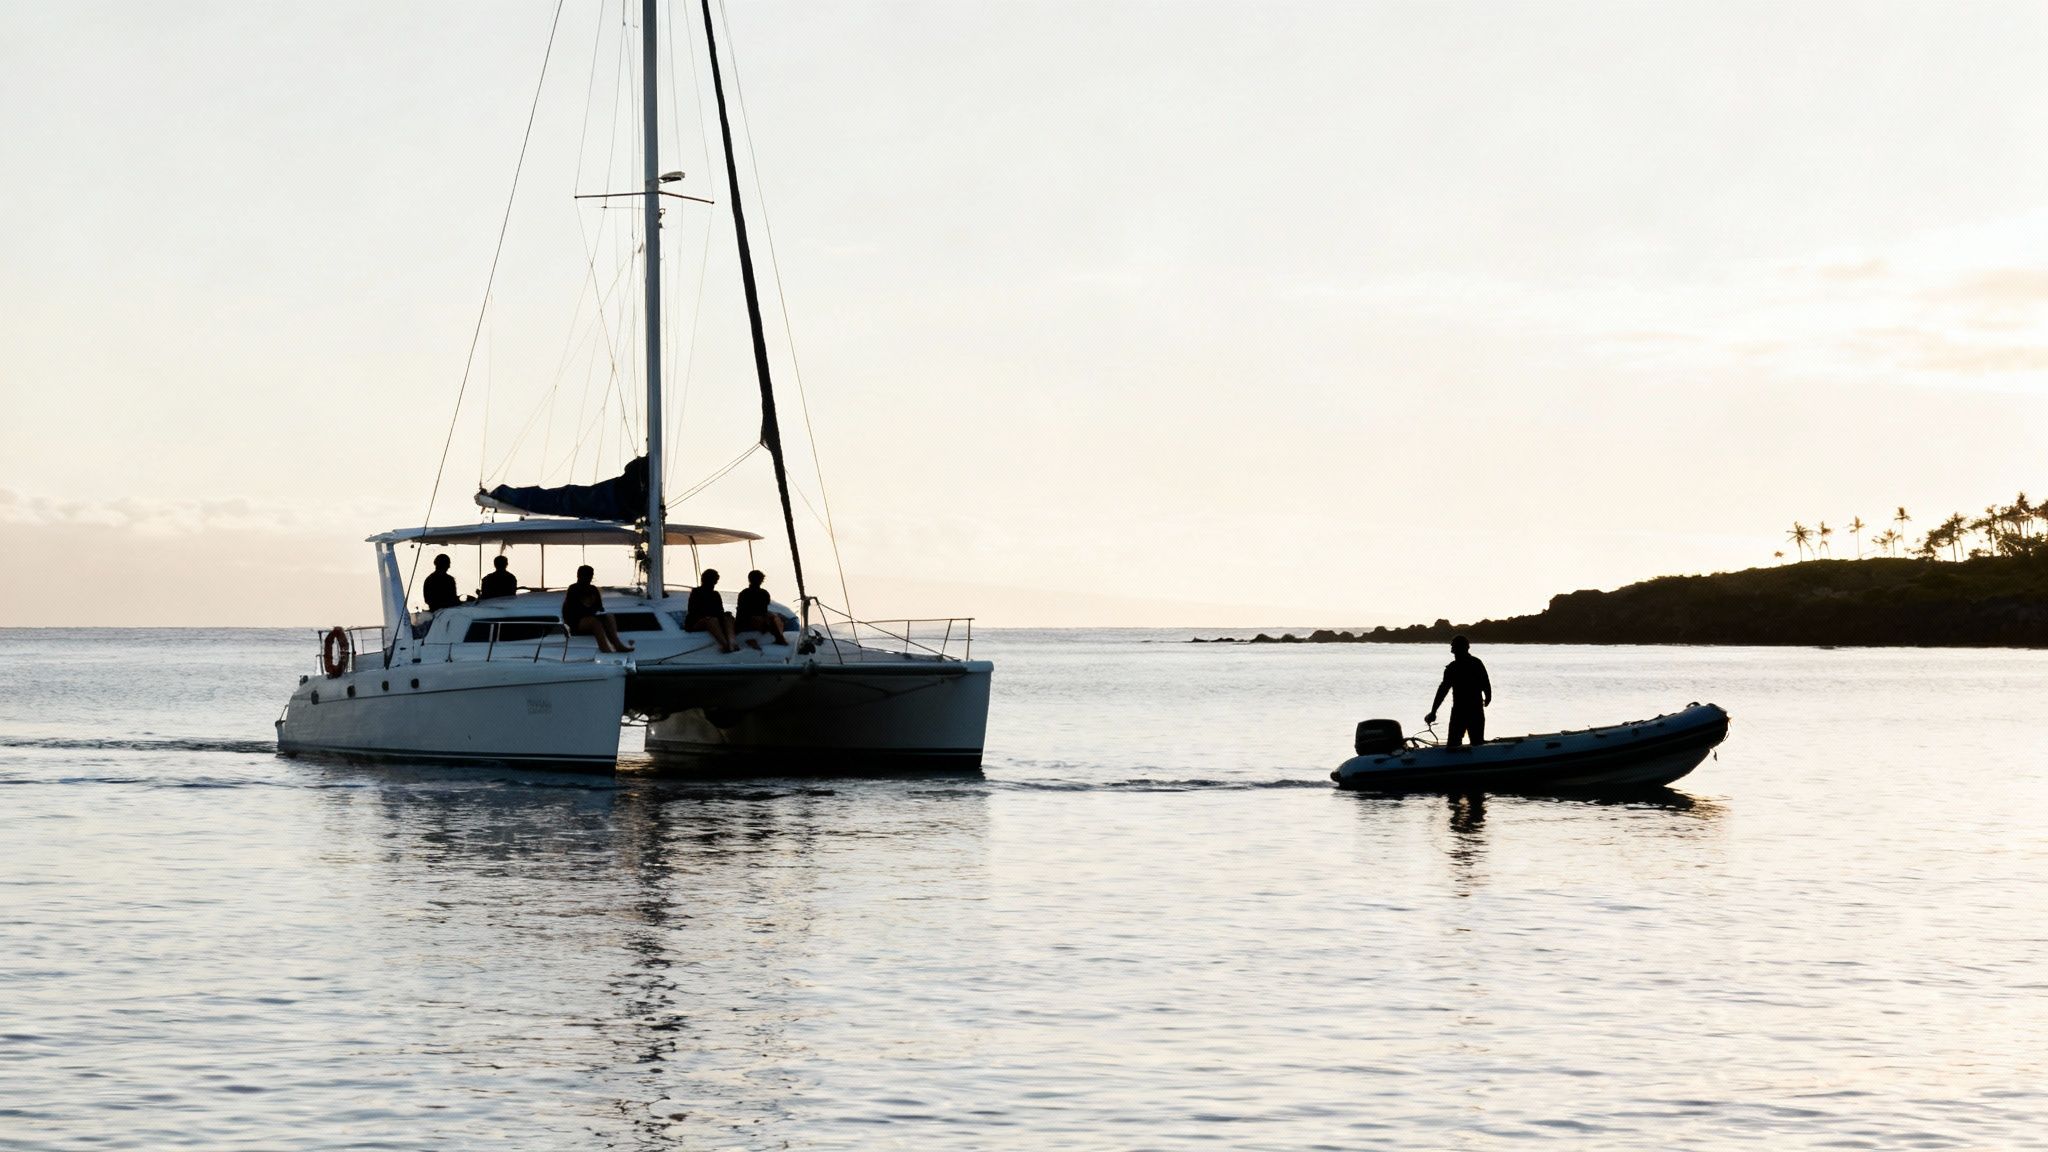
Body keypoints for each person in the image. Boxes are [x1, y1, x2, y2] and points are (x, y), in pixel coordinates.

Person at [1424, 634, 1492, 748]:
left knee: (1455, 745)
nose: (1451, 649)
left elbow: (1443, 691)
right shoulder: (1476, 663)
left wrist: (1433, 712)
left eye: (1453, 647)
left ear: (1456, 649)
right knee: (1477, 744)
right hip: (1473, 710)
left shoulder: (1453, 668)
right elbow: (1486, 684)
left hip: (1462, 712)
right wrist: (1488, 697)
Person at [562, 564, 633, 653]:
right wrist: (592, 612)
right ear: (579, 576)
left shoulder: (593, 589)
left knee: (609, 616)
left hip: (591, 616)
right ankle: (605, 648)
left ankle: (617, 645)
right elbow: (574, 610)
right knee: (594, 622)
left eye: (590, 575)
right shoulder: (573, 589)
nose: (588, 578)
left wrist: (599, 613)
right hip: (575, 622)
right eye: (586, 575)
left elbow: (599, 606)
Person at [684, 569, 739, 654]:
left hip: (713, 618)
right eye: (713, 581)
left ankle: (732, 642)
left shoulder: (715, 594)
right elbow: (693, 611)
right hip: (697, 621)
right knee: (711, 620)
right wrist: (708, 615)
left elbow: (720, 610)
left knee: (728, 618)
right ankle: (724, 644)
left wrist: (724, 615)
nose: (714, 583)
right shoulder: (696, 592)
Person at [733, 569, 788, 648]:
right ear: (761, 581)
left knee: (773, 617)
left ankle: (779, 637)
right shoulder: (764, 593)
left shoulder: (743, 593)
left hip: (743, 621)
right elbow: (763, 609)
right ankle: (780, 638)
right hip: (753, 620)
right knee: (776, 618)